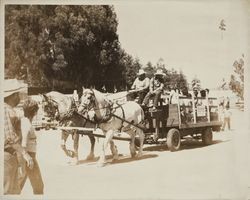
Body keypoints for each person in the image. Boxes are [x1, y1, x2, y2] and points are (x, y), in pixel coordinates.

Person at [4, 81, 33, 194]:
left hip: (12, 155)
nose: (20, 97)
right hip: (6, 156)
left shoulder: (9, 110)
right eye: (19, 94)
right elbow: (10, 137)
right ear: (14, 95)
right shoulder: (5, 110)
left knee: (15, 191)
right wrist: (25, 154)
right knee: (7, 191)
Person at [19, 98, 44, 194]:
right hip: (29, 158)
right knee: (38, 186)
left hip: (28, 158)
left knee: (19, 185)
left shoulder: (25, 121)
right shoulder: (26, 124)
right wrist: (27, 159)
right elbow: (23, 144)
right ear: (34, 111)